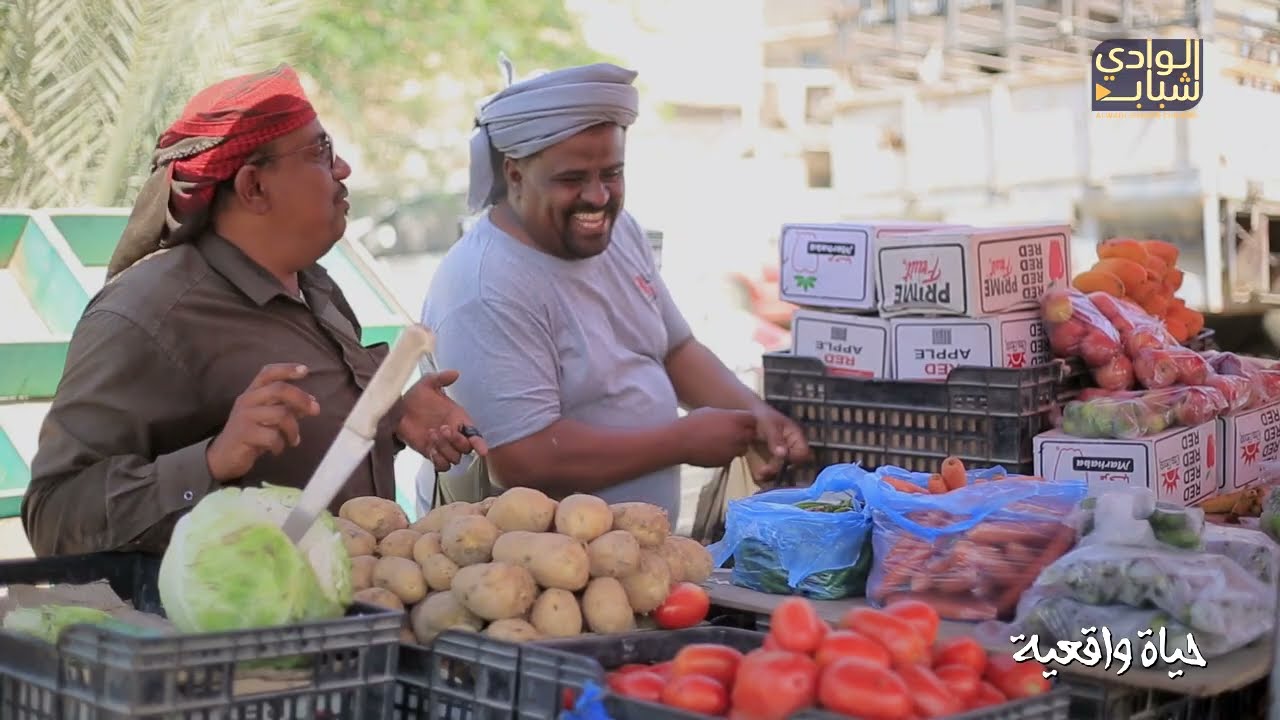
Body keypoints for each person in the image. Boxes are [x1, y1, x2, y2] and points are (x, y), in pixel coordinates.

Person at [22, 64, 483, 557]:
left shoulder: (315, 285)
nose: (343, 169)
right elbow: (52, 516)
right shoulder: (146, 315)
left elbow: (312, 444)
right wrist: (212, 461)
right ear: (254, 187)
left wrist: (393, 417)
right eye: (321, 152)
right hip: (222, 609)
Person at [419, 61, 812, 520]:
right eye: (572, 179)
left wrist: (755, 414)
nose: (599, 197)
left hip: (636, 547)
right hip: (535, 559)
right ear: (515, 175)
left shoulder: (619, 232)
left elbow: (674, 349)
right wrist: (681, 441)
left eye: (612, 173)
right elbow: (523, 460)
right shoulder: (485, 286)